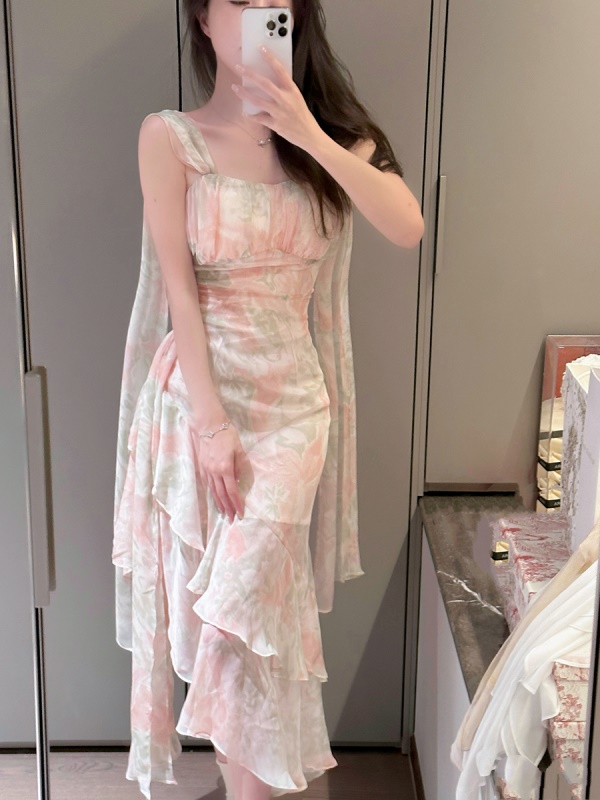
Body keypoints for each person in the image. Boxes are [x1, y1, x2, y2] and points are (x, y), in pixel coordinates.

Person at [112, 1, 424, 799]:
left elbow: (407, 225)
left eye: (274, 4)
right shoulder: (170, 138)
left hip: (293, 416)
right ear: (203, 19)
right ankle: (263, 786)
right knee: (235, 638)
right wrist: (210, 424)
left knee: (239, 619)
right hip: (199, 409)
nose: (259, 14)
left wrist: (306, 131)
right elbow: (179, 290)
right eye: (240, 2)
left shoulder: (335, 139)